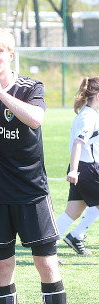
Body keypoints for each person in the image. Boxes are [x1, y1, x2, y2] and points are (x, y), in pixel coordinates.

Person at [0, 28, 83, 304]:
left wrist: (0, 92)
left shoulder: (31, 87)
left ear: (11, 54)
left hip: (31, 193)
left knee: (46, 264)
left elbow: (34, 119)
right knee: (2, 268)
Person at [56, 82, 99, 257]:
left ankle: (49, 245)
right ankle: (75, 235)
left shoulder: (90, 114)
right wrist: (73, 170)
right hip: (87, 169)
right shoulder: (88, 116)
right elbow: (78, 143)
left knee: (73, 212)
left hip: (84, 168)